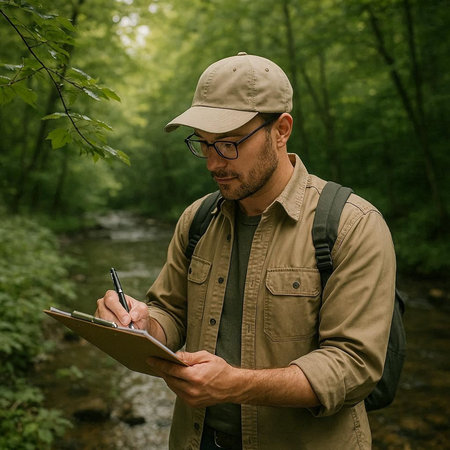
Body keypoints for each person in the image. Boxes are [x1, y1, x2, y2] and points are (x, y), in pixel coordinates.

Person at [96, 52, 396, 450]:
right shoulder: (197, 219)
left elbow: (354, 366)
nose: (213, 163)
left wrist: (237, 385)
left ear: (281, 129)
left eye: (229, 144)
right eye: (203, 144)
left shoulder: (351, 225)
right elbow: (170, 314)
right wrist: (138, 325)